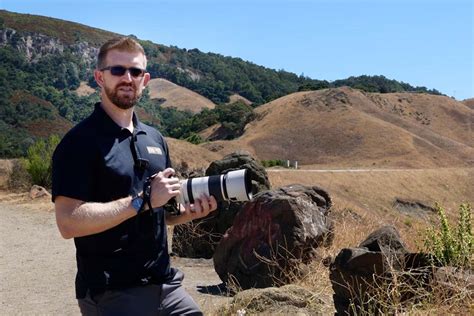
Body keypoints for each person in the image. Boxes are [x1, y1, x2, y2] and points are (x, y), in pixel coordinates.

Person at [52, 37, 217, 315]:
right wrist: (140, 201)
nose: (127, 78)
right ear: (99, 77)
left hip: (166, 286)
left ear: (146, 79)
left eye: (136, 72)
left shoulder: (154, 139)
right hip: (112, 292)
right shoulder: (79, 142)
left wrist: (188, 213)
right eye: (117, 70)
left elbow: (158, 212)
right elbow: (68, 223)